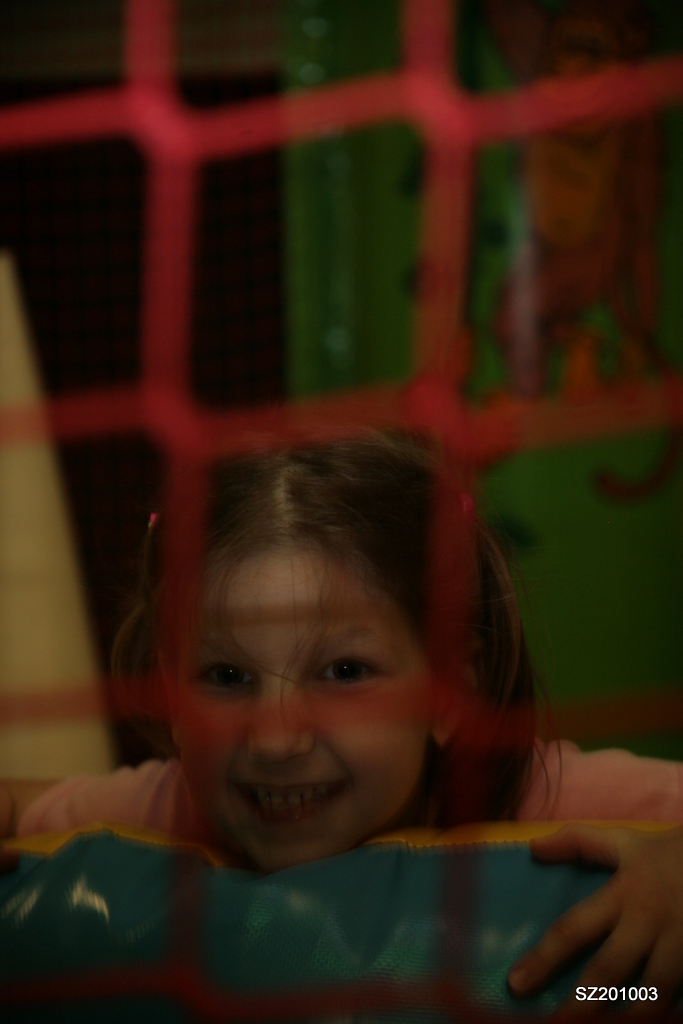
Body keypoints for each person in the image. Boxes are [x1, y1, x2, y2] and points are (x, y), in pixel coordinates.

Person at [1, 431, 682, 1009]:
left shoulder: (543, 805)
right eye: (227, 678)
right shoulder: (177, 808)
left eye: (344, 672)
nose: (275, 740)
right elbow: (21, 807)